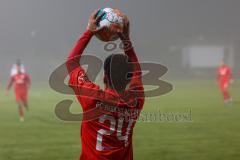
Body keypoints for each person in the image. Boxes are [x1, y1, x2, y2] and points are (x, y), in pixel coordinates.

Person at [66, 10, 144, 160]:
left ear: (105, 77)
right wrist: (126, 40)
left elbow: (72, 62)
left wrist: (89, 31)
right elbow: (138, 73)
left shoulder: (94, 99)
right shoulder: (136, 102)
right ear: (129, 80)